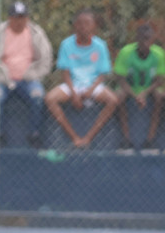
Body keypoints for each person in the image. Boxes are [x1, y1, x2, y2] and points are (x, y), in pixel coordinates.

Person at [0, 1, 53, 148]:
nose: (19, 21)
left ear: (27, 18)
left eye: (22, 17)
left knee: (37, 95)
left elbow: (46, 58)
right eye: (16, 17)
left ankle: (34, 134)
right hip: (2, 79)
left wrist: (36, 75)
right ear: (9, 18)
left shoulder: (37, 34)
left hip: (28, 79)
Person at [44, 9, 118, 148]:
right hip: (72, 84)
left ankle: (88, 138)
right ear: (75, 26)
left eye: (87, 23)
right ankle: (74, 137)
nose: (83, 26)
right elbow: (65, 73)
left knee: (113, 100)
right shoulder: (66, 44)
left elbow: (102, 74)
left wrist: (91, 90)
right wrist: (73, 93)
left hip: (93, 85)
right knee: (50, 98)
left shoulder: (100, 45)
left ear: (94, 26)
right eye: (80, 23)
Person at [112, 24, 165, 152]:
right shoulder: (126, 52)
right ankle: (126, 141)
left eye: (148, 39)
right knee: (118, 96)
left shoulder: (159, 54)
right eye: (142, 38)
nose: (145, 42)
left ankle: (150, 141)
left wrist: (144, 93)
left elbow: (160, 80)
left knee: (159, 97)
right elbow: (120, 78)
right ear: (136, 39)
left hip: (149, 88)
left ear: (152, 40)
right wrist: (136, 95)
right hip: (130, 88)